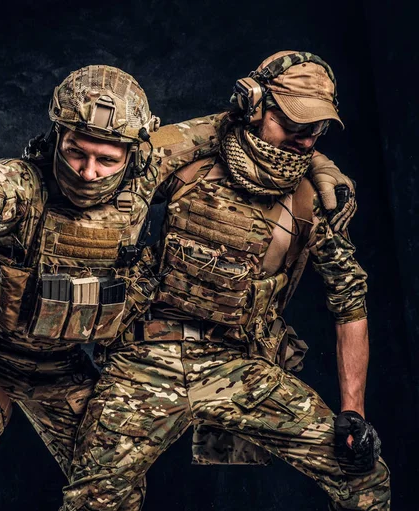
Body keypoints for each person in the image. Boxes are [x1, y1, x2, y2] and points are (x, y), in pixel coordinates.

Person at [0, 60, 357, 511]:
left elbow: (233, 131)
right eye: (76, 153)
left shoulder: (139, 183)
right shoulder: (26, 186)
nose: (90, 173)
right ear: (58, 138)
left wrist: (315, 159)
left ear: (134, 154)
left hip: (64, 371)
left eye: (107, 160)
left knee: (108, 494)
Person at [59, 52, 390, 510]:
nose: (305, 139)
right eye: (293, 124)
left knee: (364, 478)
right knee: (94, 499)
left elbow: (349, 301)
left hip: (240, 364)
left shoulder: (316, 198)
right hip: (146, 356)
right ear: (255, 106)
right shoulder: (188, 164)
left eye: (316, 129)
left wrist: (353, 410)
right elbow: (97, 186)